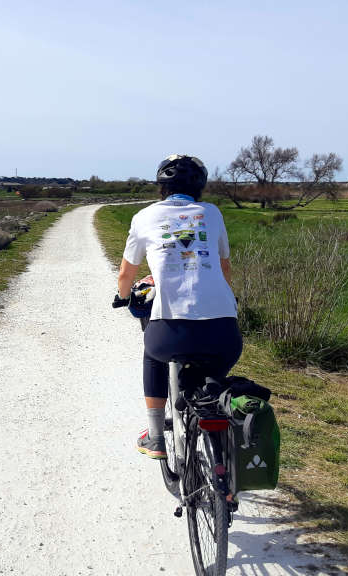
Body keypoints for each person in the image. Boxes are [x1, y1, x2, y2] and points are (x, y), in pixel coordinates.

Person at [116, 154, 242, 459]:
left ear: (162, 187)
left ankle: (156, 437)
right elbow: (225, 269)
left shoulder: (144, 217)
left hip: (170, 330)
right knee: (212, 371)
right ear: (200, 186)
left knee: (153, 352)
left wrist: (122, 297)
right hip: (225, 332)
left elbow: (125, 275)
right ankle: (217, 437)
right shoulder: (212, 214)